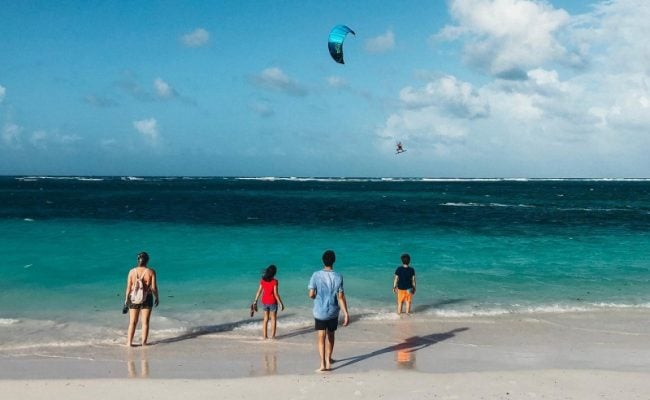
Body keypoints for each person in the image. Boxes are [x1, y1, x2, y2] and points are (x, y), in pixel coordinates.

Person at [308, 250, 350, 372]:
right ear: (334, 261)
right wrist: (346, 313)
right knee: (331, 335)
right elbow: (341, 297)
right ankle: (329, 359)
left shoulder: (316, 275)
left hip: (320, 312)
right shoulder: (338, 276)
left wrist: (315, 295)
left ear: (323, 261)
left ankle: (322, 364)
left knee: (321, 337)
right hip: (333, 312)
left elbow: (311, 294)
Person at [124, 251, 159, 346]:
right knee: (145, 322)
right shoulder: (151, 272)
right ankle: (144, 343)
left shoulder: (131, 271)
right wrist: (157, 297)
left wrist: (126, 300)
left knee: (132, 322)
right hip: (147, 297)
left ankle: (129, 343)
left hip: (134, 298)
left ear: (138, 260)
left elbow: (128, 287)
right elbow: (153, 287)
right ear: (147, 261)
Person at [252, 264, 285, 339]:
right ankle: (273, 336)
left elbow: (259, 291)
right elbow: (276, 294)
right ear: (274, 273)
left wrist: (255, 301)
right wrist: (281, 304)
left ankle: (265, 336)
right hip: (273, 302)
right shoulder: (275, 281)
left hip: (264, 302)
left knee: (265, 319)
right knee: (273, 319)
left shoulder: (262, 281)